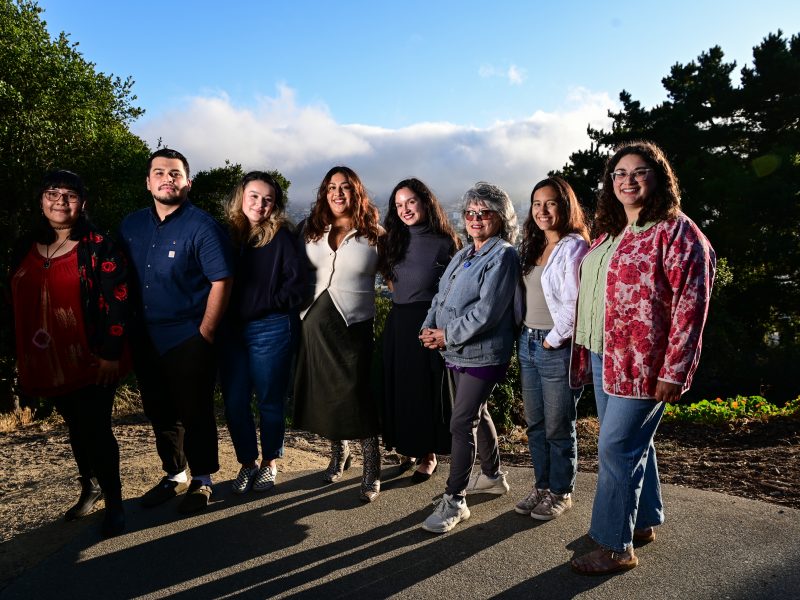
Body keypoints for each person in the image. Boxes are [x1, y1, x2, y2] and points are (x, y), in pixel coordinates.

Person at [569, 141, 716, 574]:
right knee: (634, 444)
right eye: (619, 173)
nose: (627, 180)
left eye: (638, 172)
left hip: (645, 365)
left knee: (615, 445)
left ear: (659, 177)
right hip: (603, 355)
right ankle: (642, 521)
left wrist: (676, 369)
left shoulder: (677, 232)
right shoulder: (613, 232)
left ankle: (615, 547)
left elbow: (692, 304)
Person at [10, 170, 128, 537]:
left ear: (83, 203)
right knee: (76, 427)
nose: (61, 201)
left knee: (96, 428)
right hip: (48, 359)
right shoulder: (25, 245)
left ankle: (115, 501)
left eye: (70, 195)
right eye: (52, 193)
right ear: (41, 200)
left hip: (93, 358)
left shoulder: (99, 245)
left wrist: (111, 353)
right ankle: (89, 487)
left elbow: (119, 303)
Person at [119, 148, 233, 514]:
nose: (167, 178)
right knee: (160, 410)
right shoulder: (130, 226)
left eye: (175, 173)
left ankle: (202, 480)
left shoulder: (202, 226)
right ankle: (174, 473)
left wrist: (207, 332)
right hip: (145, 336)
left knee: (195, 410)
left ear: (188, 183)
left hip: (188, 336)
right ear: (148, 182)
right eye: (160, 173)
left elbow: (221, 280)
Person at [419, 181, 519, 533]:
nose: (476, 219)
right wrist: (429, 328)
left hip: (484, 354)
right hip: (456, 350)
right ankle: (492, 476)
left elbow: (488, 312)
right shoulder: (465, 254)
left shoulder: (504, 255)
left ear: (500, 218)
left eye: (484, 213)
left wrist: (445, 334)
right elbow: (440, 297)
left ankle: (455, 500)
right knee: (478, 413)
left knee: (461, 423)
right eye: (470, 213)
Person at [293, 166, 383, 502]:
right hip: (314, 323)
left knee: (358, 395)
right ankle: (340, 453)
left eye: (345, 187)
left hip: (354, 325)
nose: (338, 193)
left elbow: (395, 280)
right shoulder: (312, 230)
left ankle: (372, 466)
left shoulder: (375, 234)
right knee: (327, 393)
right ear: (324, 193)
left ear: (356, 192)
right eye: (331, 187)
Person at [218, 171, 306, 494]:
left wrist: (266, 304)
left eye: (267, 199)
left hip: (270, 328)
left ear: (275, 205)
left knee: (269, 400)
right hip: (232, 332)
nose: (260, 204)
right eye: (254, 196)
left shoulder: (282, 237)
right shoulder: (228, 235)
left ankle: (270, 462)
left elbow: (297, 286)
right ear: (241, 197)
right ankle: (247, 463)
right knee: (235, 401)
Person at [515, 176, 589, 521]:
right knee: (536, 423)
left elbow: (576, 303)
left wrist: (553, 337)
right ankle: (542, 486)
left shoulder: (574, 247)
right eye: (537, 204)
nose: (543, 211)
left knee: (559, 424)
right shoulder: (533, 245)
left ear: (565, 206)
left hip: (554, 346)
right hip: (528, 341)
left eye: (551, 203)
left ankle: (561, 491)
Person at [378, 178, 461, 482]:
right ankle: (408, 448)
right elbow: (392, 282)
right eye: (399, 205)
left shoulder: (445, 241)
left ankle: (428, 455)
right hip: (398, 321)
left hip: (429, 321)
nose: (405, 209)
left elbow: (456, 289)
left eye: (410, 202)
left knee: (426, 392)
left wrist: (441, 326)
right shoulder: (391, 239)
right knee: (402, 390)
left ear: (425, 202)